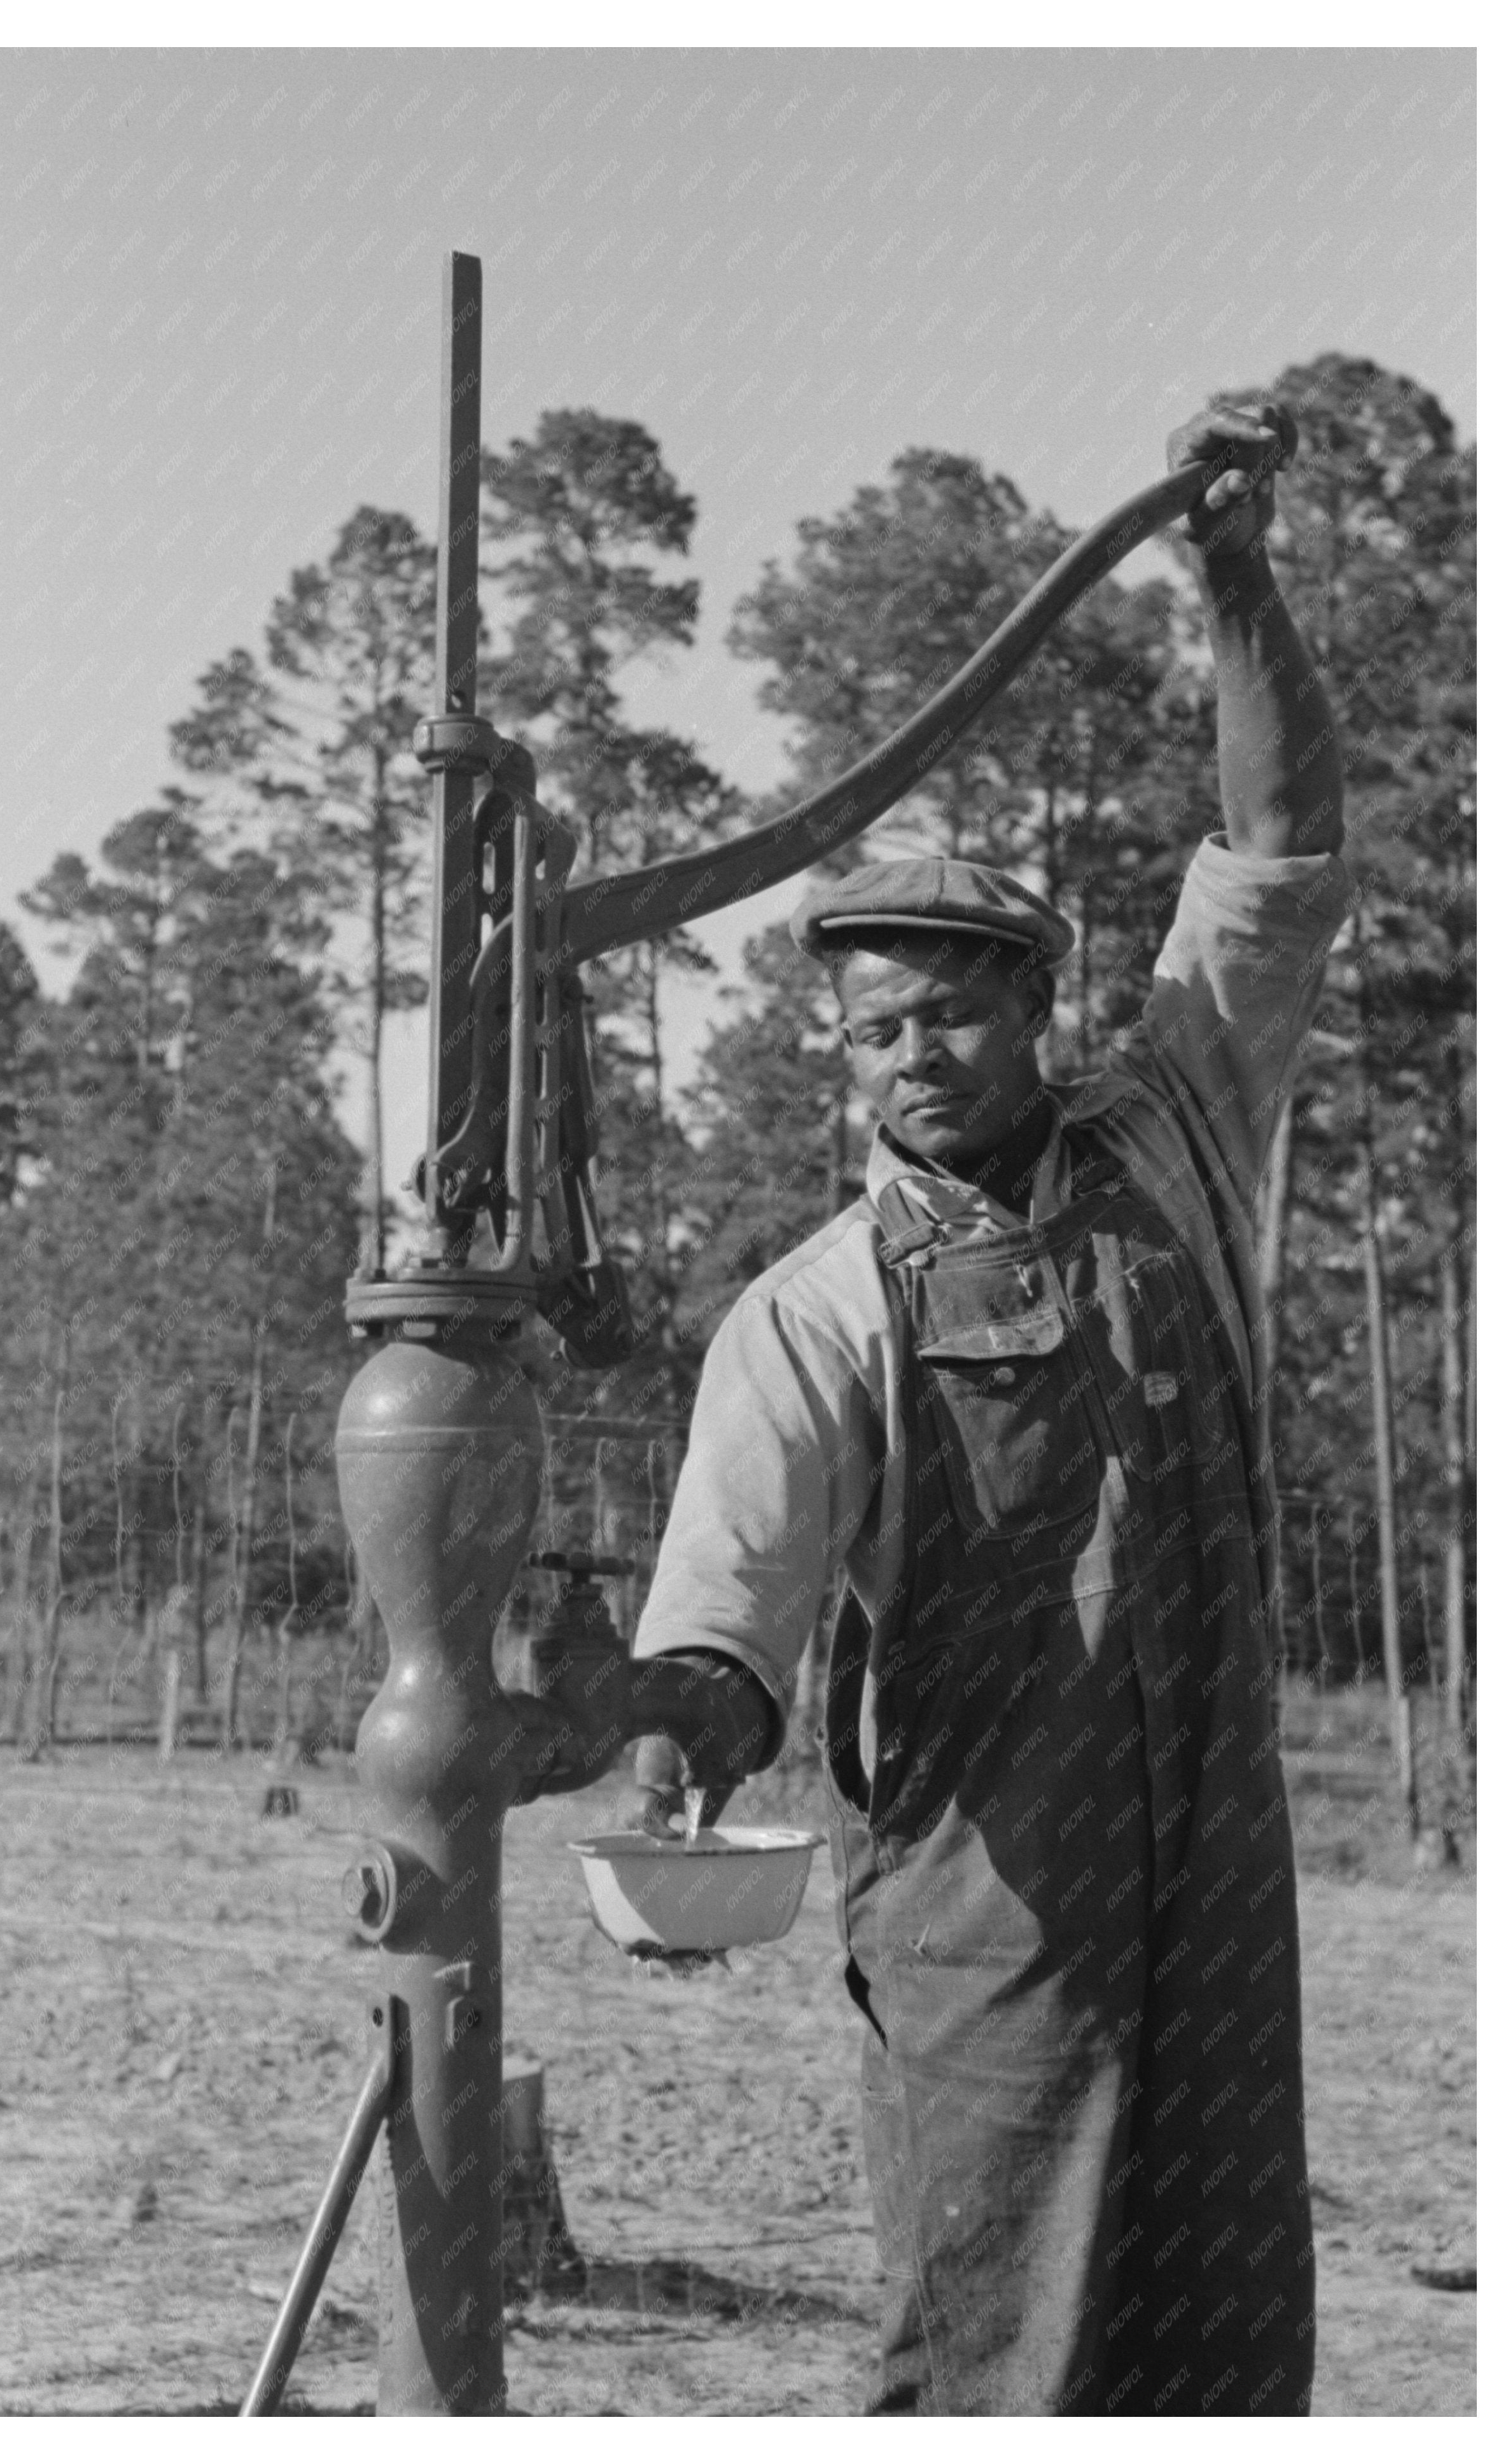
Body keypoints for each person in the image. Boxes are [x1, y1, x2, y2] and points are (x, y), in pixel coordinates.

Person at [625, 402, 1351, 2415]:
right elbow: (731, 1598)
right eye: (872, 1026)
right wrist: (681, 1728)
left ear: (1038, 1002)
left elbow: (1282, 857)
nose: (911, 1055)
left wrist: (1234, 579)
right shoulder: (816, 1309)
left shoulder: (1185, 1137)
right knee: (989, 2354)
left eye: (952, 1006)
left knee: (1216, 2344)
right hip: (982, 1905)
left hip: (1214, 1861)